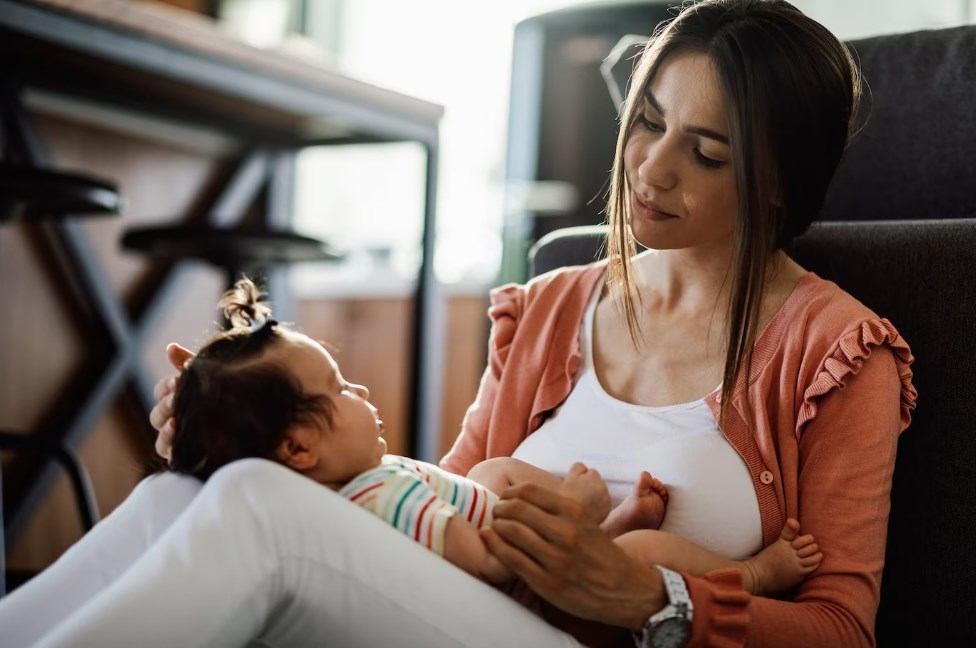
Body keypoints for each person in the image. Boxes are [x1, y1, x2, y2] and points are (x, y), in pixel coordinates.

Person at [0, 1, 916, 647]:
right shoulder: (557, 301)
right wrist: (247, 429)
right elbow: (431, 499)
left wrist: (656, 599)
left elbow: (840, 627)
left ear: (778, 183)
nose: (651, 170)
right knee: (185, 493)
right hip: (476, 611)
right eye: (647, 122)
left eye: (705, 152)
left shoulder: (837, 352)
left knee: (255, 507)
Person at [168, 277, 820, 597]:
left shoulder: (356, 492)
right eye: (339, 391)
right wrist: (577, 514)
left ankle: (609, 530)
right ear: (298, 451)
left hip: (495, 539)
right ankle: (753, 573)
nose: (360, 393)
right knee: (649, 548)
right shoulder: (376, 502)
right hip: (511, 601)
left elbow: (452, 497)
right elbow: (487, 566)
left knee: (494, 472)